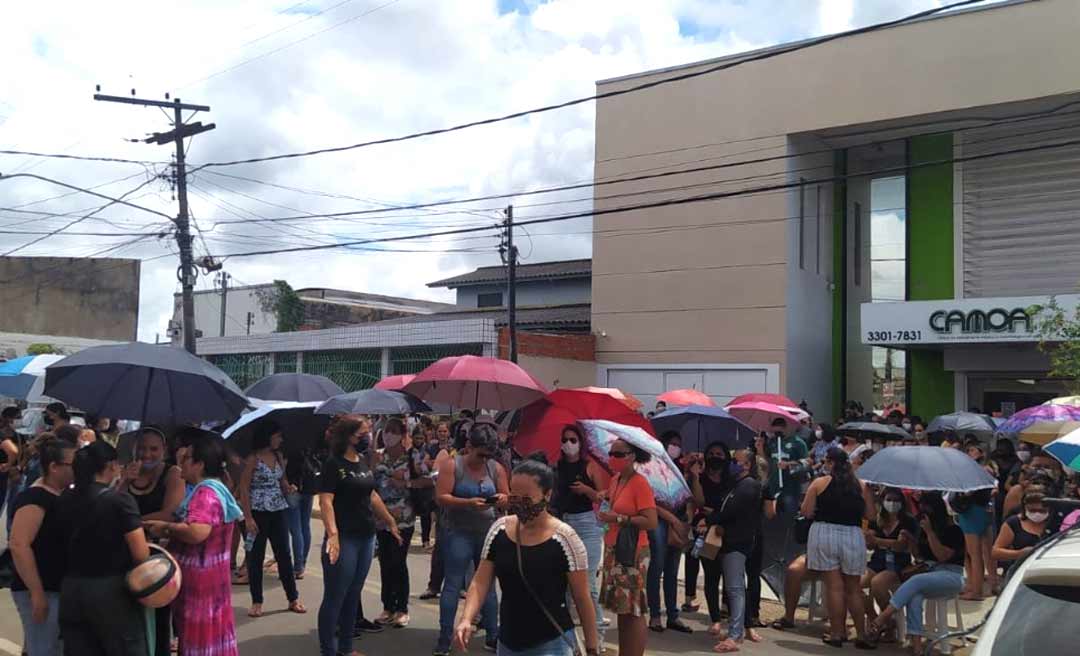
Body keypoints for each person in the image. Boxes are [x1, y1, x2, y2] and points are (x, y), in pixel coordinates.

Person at [455, 453, 602, 656]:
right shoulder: (499, 530)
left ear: (547, 495)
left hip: (552, 644)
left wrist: (592, 648)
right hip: (508, 642)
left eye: (526, 499)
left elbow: (582, 598)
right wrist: (466, 619)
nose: (519, 504)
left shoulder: (565, 539)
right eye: (514, 497)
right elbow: (480, 582)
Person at [144, 435, 242, 656]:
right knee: (214, 635)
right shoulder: (217, 489)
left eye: (187, 458)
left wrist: (166, 528)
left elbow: (197, 532)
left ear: (200, 464)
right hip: (212, 580)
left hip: (200, 585)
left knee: (200, 639)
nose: (181, 462)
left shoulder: (205, 494)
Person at [56, 440, 151, 656]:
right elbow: (140, 554)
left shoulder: (64, 498)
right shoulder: (120, 501)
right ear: (110, 466)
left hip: (71, 588)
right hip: (111, 591)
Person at [317, 416, 401, 656]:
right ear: (349, 436)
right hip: (344, 539)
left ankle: (346, 648)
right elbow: (325, 501)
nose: (368, 437)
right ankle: (328, 651)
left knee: (353, 594)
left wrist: (390, 521)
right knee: (335, 596)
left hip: (366, 536)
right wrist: (333, 534)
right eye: (363, 433)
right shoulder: (333, 464)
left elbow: (371, 495)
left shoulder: (362, 461)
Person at [433, 420, 509, 656]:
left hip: (486, 532)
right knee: (453, 584)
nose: (483, 460)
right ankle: (445, 638)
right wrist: (467, 502)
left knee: (488, 586)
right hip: (457, 531)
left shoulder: (495, 468)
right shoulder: (452, 465)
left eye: (487, 456)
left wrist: (501, 499)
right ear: (469, 446)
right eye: (480, 455)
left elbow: (507, 497)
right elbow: (441, 496)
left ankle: (493, 635)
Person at [118, 426, 186, 656]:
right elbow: (111, 506)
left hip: (159, 558)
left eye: (153, 449)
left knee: (159, 619)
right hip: (127, 553)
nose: (147, 454)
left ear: (164, 450)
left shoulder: (173, 474)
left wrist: (130, 524)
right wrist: (124, 482)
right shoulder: (127, 472)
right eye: (142, 448)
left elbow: (170, 514)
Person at [870, 493, 966, 655]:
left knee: (916, 581)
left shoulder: (953, 530)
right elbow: (919, 556)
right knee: (914, 595)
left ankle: (882, 618)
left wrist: (930, 532)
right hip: (929, 572)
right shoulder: (923, 529)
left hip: (951, 574)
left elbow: (942, 556)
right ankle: (917, 647)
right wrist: (912, 540)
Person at [801, 447, 876, 649]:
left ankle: (837, 632)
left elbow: (806, 511)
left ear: (831, 463)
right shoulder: (862, 486)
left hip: (824, 532)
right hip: (852, 534)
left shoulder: (819, 483)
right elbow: (871, 515)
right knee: (853, 588)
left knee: (834, 586)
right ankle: (861, 634)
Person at [9, 437, 74, 656]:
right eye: (72, 464)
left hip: (55, 588)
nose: (77, 469)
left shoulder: (62, 495)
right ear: (54, 467)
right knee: (43, 649)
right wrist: (37, 593)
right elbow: (19, 544)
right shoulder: (35, 498)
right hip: (40, 589)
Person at [597, 438, 658, 656]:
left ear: (632, 456)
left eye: (618, 454)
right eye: (611, 453)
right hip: (614, 548)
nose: (613, 458)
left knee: (634, 609)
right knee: (622, 608)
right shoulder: (616, 479)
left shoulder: (640, 483)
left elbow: (651, 521)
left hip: (632, 552)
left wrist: (619, 518)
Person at [238, 421, 305, 617]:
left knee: (284, 554)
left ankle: (293, 598)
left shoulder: (278, 456)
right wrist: (248, 518)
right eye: (278, 436)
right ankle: (257, 601)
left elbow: (282, 481)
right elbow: (244, 488)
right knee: (256, 557)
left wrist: (289, 488)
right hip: (258, 511)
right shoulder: (253, 459)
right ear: (268, 436)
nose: (280, 439)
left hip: (278, 510)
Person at [551, 424, 610, 638]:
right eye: (565, 440)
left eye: (573, 440)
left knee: (588, 583)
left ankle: (598, 635)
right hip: (563, 523)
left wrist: (586, 490)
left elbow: (602, 498)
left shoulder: (589, 466)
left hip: (587, 524)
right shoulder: (556, 467)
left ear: (581, 443)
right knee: (565, 583)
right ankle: (566, 636)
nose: (568, 444)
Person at [706, 447, 764, 653]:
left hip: (738, 542)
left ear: (747, 465)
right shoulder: (735, 484)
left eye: (736, 461)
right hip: (728, 541)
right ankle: (736, 629)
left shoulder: (749, 485)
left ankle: (735, 634)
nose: (732, 463)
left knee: (735, 588)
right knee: (732, 587)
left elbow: (731, 511)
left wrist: (711, 519)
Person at [644, 432, 691, 634]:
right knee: (658, 565)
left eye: (678, 444)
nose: (675, 448)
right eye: (672, 444)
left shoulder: (680, 468)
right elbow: (650, 501)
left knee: (672, 570)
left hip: (678, 520)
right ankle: (655, 614)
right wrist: (672, 519)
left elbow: (688, 497)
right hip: (659, 520)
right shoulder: (651, 467)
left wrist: (692, 474)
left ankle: (673, 615)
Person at [372, 418, 415, 627]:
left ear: (403, 434)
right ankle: (387, 606)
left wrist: (405, 482)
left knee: (398, 562)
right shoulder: (379, 457)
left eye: (394, 431)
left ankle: (402, 608)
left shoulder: (412, 458)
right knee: (385, 562)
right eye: (386, 431)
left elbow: (427, 481)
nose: (389, 435)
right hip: (381, 519)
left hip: (403, 519)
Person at [688, 441, 732, 636]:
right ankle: (715, 619)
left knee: (729, 573)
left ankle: (728, 609)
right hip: (705, 531)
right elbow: (699, 502)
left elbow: (731, 506)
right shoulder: (701, 478)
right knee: (711, 574)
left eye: (719, 454)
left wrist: (715, 513)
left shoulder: (731, 480)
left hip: (727, 530)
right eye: (711, 453)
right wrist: (695, 478)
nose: (715, 457)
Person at [863, 488, 916, 641]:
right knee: (856, 585)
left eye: (896, 500)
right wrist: (869, 538)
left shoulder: (908, 521)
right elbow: (870, 546)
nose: (892, 503)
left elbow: (901, 546)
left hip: (898, 562)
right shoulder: (877, 519)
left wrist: (878, 541)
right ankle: (879, 621)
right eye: (889, 500)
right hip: (878, 560)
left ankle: (885, 622)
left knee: (877, 583)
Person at [420, 420, 454, 600]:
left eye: (445, 431)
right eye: (440, 431)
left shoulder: (458, 451)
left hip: (463, 510)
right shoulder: (438, 450)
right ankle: (434, 585)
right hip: (444, 505)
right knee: (441, 546)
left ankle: (460, 586)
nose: (442, 434)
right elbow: (432, 470)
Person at [991, 486, 1050, 575]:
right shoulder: (1013, 523)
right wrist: (1018, 554)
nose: (1037, 514)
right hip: (1020, 571)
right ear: (1024, 507)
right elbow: (995, 552)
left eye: (1042, 511)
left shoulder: (1057, 522)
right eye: (1032, 510)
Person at [284, 444, 319, 580]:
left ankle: (298, 566)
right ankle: (301, 563)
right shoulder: (309, 444)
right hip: (308, 488)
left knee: (296, 529)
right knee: (305, 526)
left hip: (293, 487)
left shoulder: (289, 445)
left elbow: (283, 468)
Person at [0, 406, 22, 522]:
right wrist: (9, 465)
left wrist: (17, 467)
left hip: (8, 473)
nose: (20, 420)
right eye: (17, 417)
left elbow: (20, 452)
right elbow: (14, 452)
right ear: (8, 418)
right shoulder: (3, 435)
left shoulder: (16, 435)